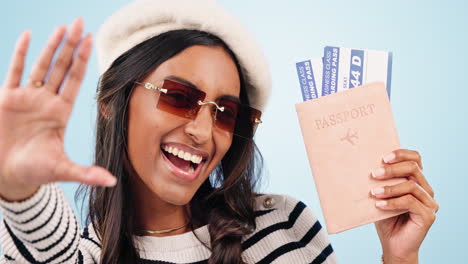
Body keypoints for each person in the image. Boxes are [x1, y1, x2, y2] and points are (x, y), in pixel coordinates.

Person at [0, 0, 438, 263]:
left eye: (226, 112)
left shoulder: (284, 226)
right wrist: (20, 190)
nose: (203, 130)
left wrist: (400, 257)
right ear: (112, 102)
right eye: (179, 96)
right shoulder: (81, 256)